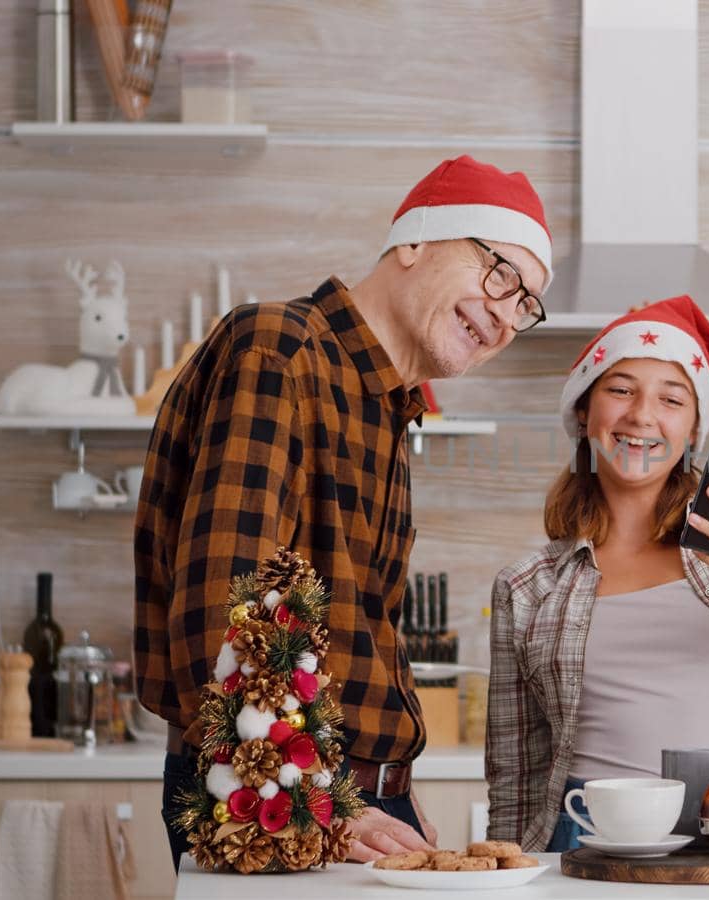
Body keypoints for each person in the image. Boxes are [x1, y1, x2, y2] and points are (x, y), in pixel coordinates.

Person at [134, 155, 553, 867]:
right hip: (279, 796)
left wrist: (395, 782)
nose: (506, 314)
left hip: (352, 797)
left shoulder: (387, 404)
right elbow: (225, 605)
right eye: (500, 272)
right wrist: (304, 804)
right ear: (415, 242)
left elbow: (359, 630)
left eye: (525, 304)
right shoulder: (281, 349)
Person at [484, 296, 709, 852]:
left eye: (671, 399)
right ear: (584, 411)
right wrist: (502, 866)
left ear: (696, 430)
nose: (642, 415)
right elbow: (513, 767)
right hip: (584, 830)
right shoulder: (527, 586)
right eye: (620, 389)